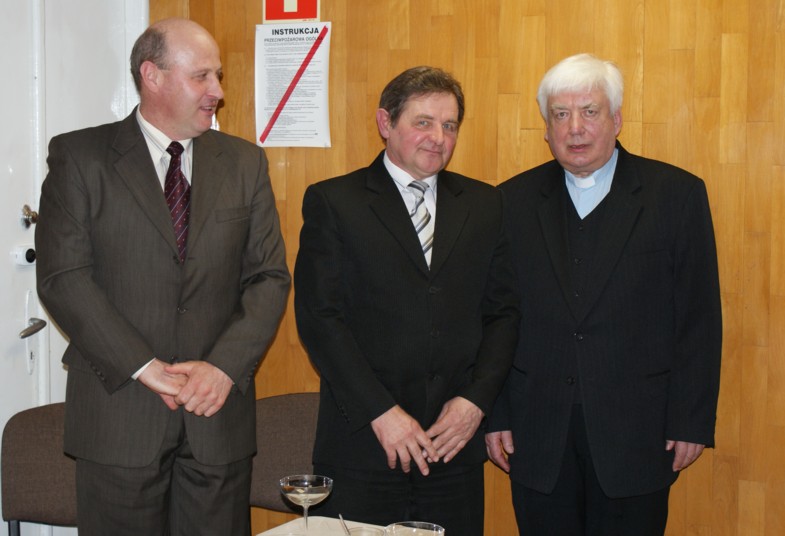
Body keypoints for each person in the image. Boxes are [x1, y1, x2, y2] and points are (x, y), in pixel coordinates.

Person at [35, 18, 290, 536]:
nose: (217, 91)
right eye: (201, 76)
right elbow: (64, 277)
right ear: (151, 76)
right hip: (119, 415)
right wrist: (143, 365)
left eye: (218, 76)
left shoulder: (245, 163)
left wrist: (223, 368)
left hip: (217, 416)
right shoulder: (80, 157)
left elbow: (268, 277)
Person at [485, 53, 723, 536]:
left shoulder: (676, 195)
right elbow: (493, 318)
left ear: (616, 119)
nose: (575, 128)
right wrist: (496, 414)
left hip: (640, 433)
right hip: (537, 432)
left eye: (589, 111)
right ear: (546, 128)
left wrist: (691, 421)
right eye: (560, 114)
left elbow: (698, 318)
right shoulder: (509, 201)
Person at [294, 66, 519, 534]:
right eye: (423, 122)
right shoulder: (335, 202)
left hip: (452, 448)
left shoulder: (485, 205)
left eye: (450, 125)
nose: (439, 137)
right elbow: (320, 320)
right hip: (363, 445)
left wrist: (476, 401)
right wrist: (381, 412)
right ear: (386, 123)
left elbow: (503, 313)